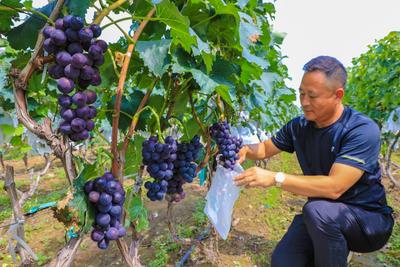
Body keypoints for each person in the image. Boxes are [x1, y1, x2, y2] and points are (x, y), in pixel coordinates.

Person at [234, 56, 394, 267]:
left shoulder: (361, 130)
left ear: (338, 95)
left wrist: (276, 178)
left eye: (312, 96)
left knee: (317, 210)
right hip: (322, 215)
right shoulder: (299, 126)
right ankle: (331, 247)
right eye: (301, 93)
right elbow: (264, 148)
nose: (304, 102)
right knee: (283, 262)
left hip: (367, 221)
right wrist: (245, 149)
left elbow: (334, 187)